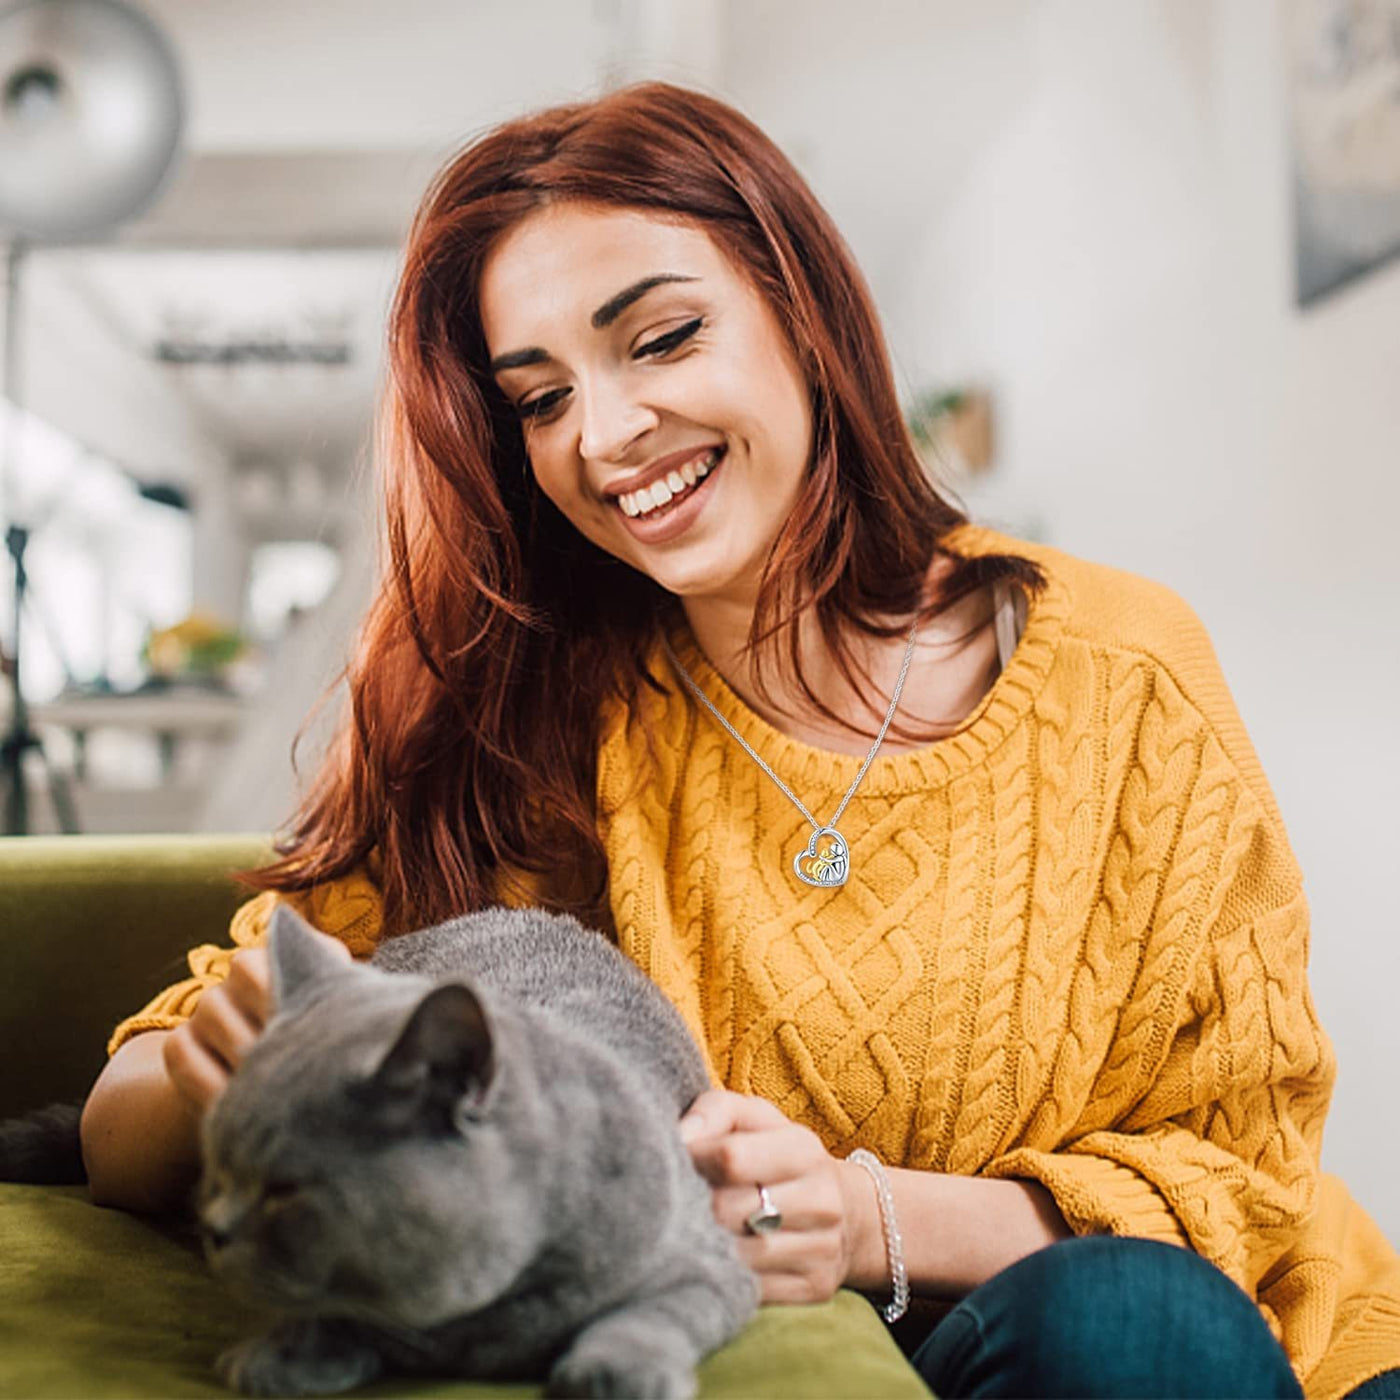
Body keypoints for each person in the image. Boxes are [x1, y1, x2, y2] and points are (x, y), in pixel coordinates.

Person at [79, 82, 1400, 1400]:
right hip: (785, 1358)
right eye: (538, 401)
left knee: (1130, 1331)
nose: (600, 439)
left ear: (803, 315)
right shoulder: (511, 716)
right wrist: (213, 1084)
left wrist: (862, 1215)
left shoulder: (1122, 670)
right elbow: (127, 1109)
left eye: (659, 339)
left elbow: (1244, 1170)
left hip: (1236, 1355)